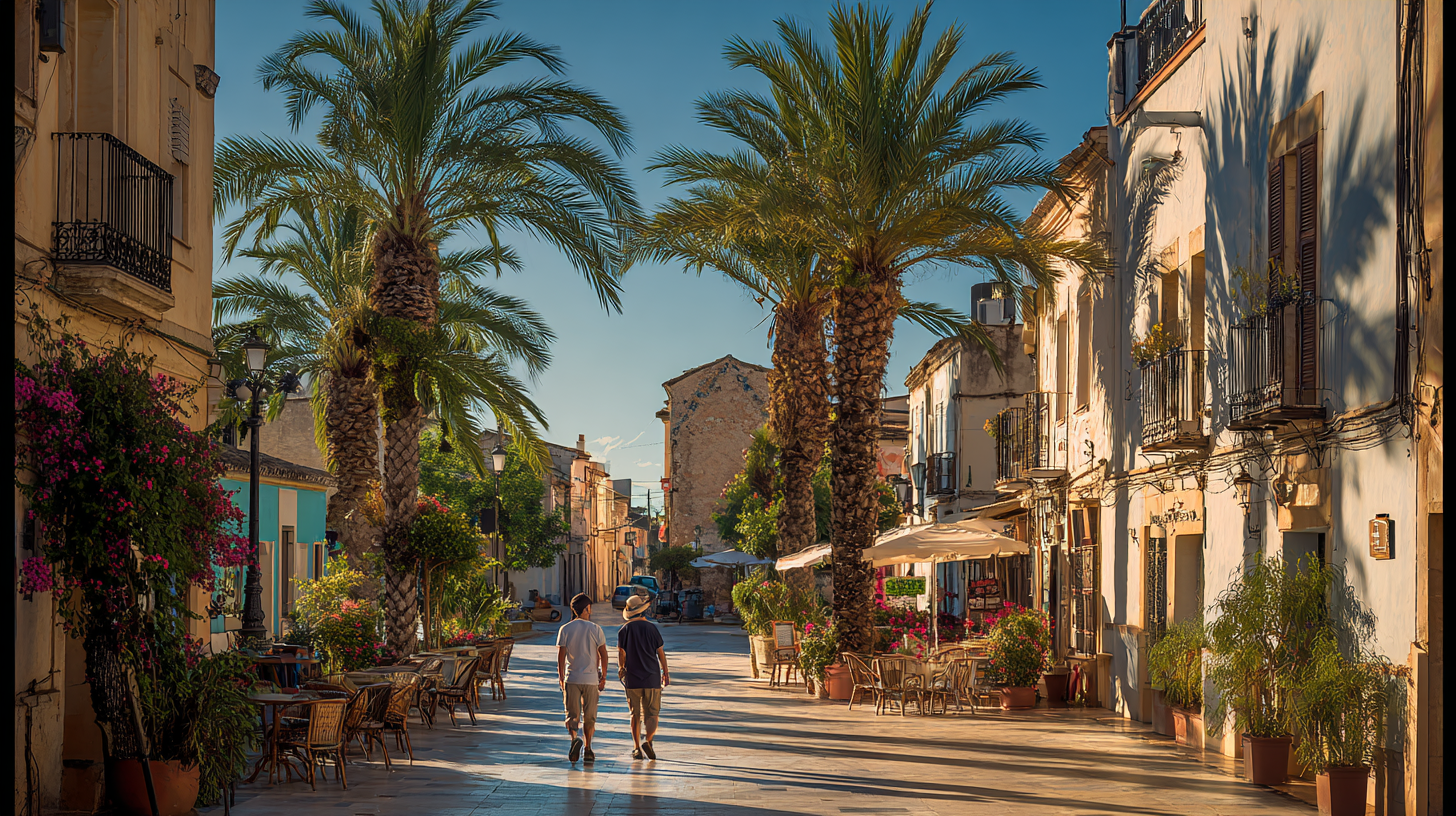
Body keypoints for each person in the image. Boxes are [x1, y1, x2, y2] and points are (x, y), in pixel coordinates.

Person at [616, 594, 670, 760]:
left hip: (632, 678)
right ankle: (649, 740)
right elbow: (660, 653)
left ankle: (636, 748)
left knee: (635, 714)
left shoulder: (624, 630)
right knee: (652, 714)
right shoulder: (652, 628)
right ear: (642, 611)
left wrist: (621, 668)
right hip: (652, 677)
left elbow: (621, 654)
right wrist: (665, 673)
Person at [556, 593, 607, 763]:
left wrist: (561, 677)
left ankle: (574, 740)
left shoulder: (565, 629)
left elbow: (561, 656)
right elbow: (604, 654)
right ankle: (588, 748)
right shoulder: (595, 629)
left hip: (572, 679)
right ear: (586, 609)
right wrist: (603, 675)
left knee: (572, 715)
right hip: (591, 679)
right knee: (590, 716)